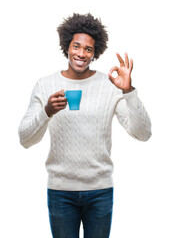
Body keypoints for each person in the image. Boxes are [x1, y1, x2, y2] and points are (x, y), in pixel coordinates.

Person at [18, 13, 152, 238]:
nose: (81, 54)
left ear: (95, 52)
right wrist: (46, 112)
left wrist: (128, 91)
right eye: (76, 46)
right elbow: (24, 139)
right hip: (60, 192)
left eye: (88, 49)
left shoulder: (109, 86)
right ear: (66, 46)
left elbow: (143, 133)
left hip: (100, 191)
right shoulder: (45, 85)